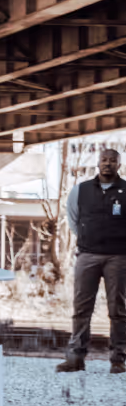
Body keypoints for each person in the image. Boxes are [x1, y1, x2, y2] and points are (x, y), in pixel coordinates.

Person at [57, 148, 126, 374]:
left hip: (119, 257)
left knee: (118, 310)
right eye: (104, 160)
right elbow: (73, 219)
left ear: (119, 164)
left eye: (112, 161)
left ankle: (118, 359)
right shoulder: (81, 190)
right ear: (98, 163)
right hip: (87, 255)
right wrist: (88, 240)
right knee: (81, 308)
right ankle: (76, 357)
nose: (108, 164)